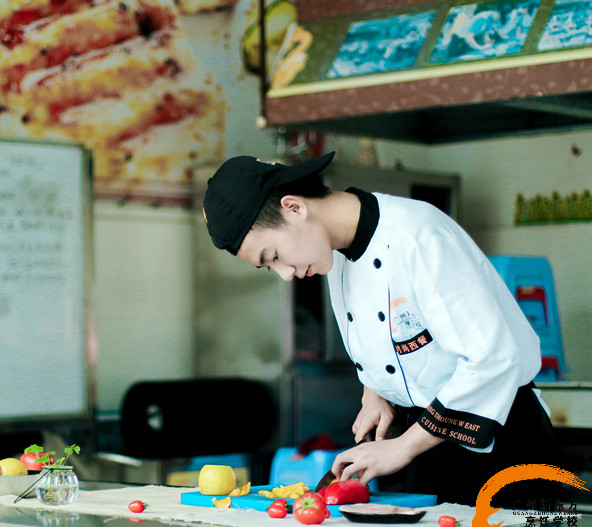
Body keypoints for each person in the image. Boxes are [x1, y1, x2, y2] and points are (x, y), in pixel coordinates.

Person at [202, 152, 561, 506]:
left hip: (501, 448)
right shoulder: (333, 252)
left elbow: (492, 359)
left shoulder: (417, 235)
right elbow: (395, 335)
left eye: (274, 255)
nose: (285, 273)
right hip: (427, 446)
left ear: (295, 207)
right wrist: (375, 391)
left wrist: (404, 446)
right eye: (269, 268)